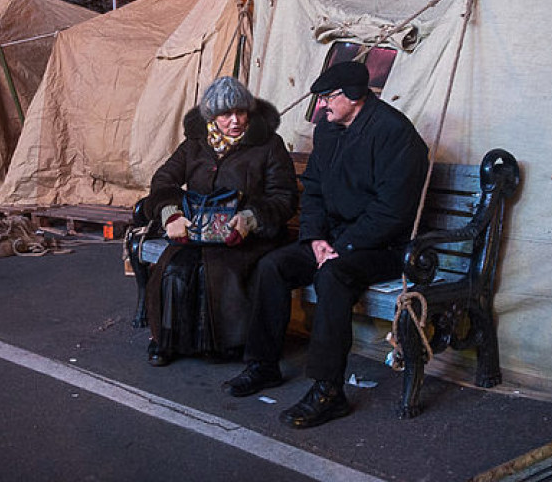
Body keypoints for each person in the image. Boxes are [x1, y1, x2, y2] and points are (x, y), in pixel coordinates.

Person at [222, 61, 429, 429]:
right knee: (273, 265)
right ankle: (263, 365)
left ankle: (329, 391)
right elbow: (314, 189)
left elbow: (392, 212)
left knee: (332, 277)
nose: (322, 106)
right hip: (332, 240)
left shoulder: (395, 134)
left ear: (352, 95)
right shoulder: (328, 131)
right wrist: (316, 239)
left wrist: (341, 248)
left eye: (328, 97)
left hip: (383, 247)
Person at [143, 76, 299, 367]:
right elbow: (164, 180)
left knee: (216, 270)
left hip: (248, 234)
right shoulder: (194, 145)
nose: (235, 120)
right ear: (211, 117)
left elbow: (284, 197)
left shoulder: (269, 145)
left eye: (241, 112)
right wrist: (171, 214)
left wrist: (250, 219)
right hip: (198, 230)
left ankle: (224, 344)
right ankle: (166, 339)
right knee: (173, 268)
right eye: (226, 114)